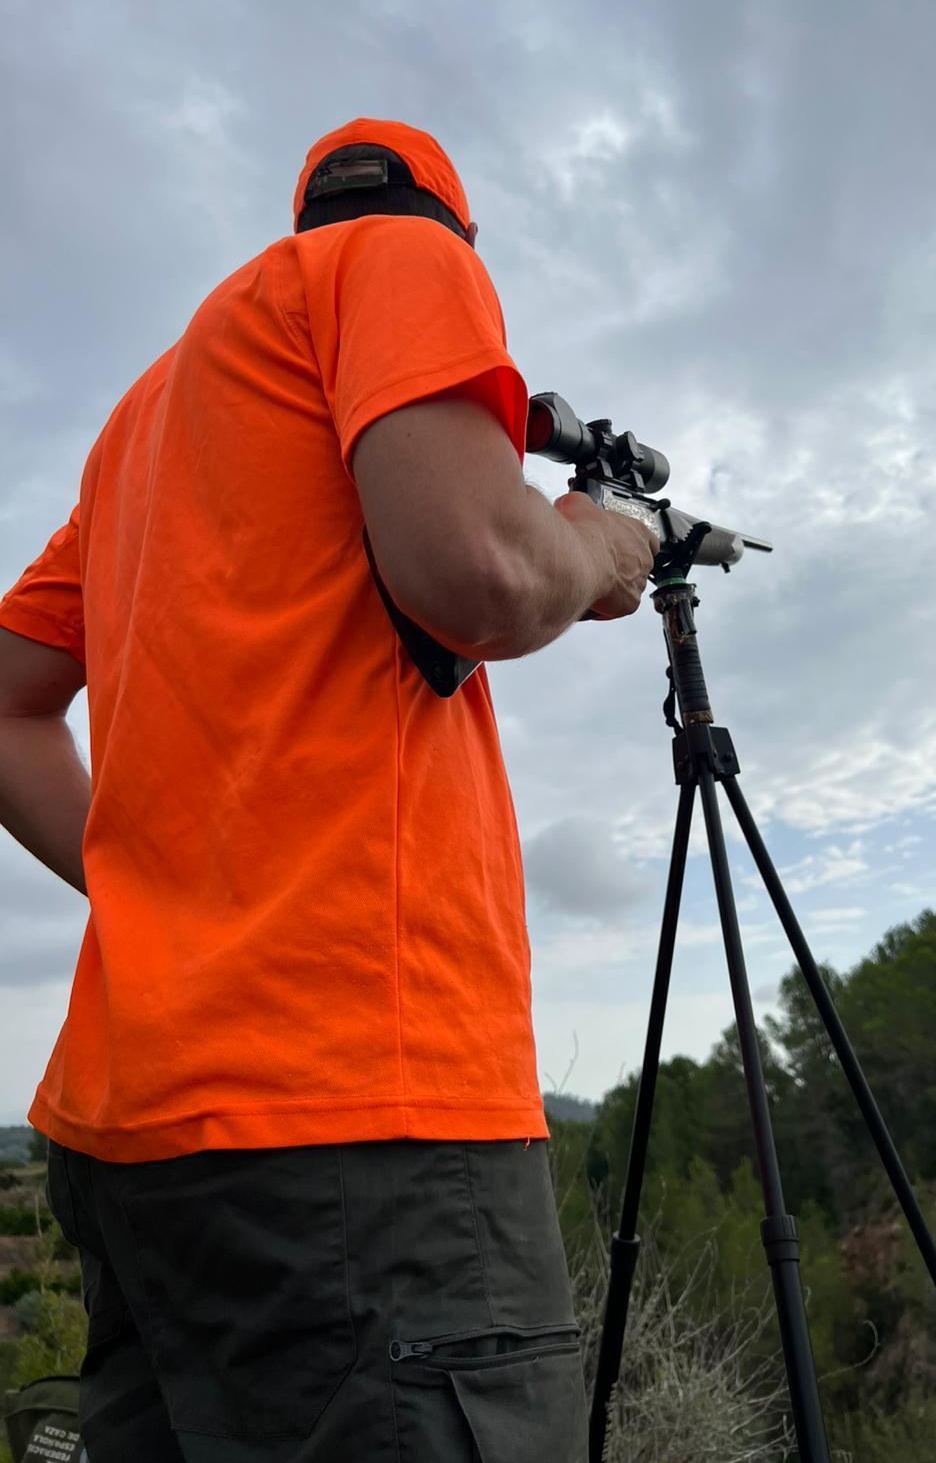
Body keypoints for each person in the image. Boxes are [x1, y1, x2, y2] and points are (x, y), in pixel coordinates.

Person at [0, 116, 658, 1462]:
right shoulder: (398, 261)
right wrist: (601, 544)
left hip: (139, 1139)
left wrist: (155, 873)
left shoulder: (150, 414)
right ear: (454, 233)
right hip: (363, 1124)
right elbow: (476, 565)